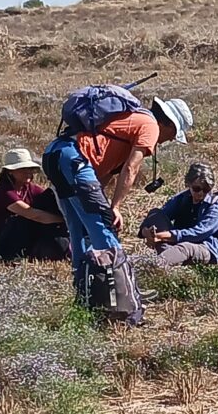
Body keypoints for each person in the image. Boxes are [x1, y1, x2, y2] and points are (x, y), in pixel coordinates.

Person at [42, 95, 193, 288]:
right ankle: (124, 290)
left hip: (55, 154)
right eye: (173, 135)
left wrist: (101, 202)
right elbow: (131, 169)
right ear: (169, 124)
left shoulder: (132, 120)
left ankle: (83, 285)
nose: (168, 140)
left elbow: (102, 177)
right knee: (103, 225)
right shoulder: (150, 126)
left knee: (78, 227)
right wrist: (114, 207)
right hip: (74, 159)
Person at [0, 148, 69, 262]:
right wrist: (65, 221)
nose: (28, 172)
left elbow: (51, 200)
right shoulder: (4, 193)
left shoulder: (29, 188)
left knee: (50, 197)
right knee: (23, 220)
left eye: (30, 169)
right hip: (0, 246)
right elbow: (34, 215)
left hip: (18, 239)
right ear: (10, 171)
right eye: (23, 169)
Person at [138, 163, 218, 266]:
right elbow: (161, 214)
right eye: (197, 189)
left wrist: (164, 236)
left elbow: (199, 233)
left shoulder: (215, 205)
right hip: (177, 242)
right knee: (155, 213)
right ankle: (170, 258)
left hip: (205, 247)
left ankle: (152, 264)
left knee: (186, 248)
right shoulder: (183, 198)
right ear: (189, 185)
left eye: (206, 190)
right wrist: (146, 232)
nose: (201, 193)